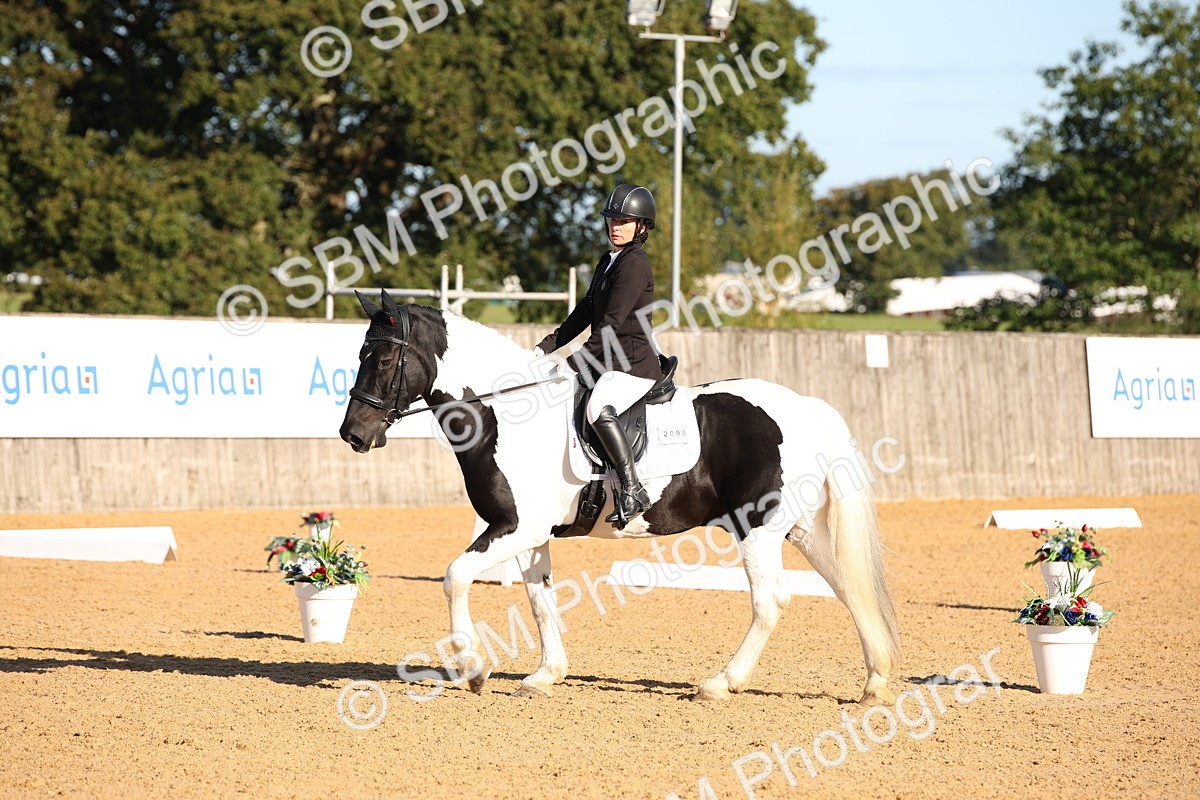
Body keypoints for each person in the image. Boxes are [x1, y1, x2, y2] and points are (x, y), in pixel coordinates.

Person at [535, 184, 662, 527]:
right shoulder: (608, 261)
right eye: (611, 219)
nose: (615, 226)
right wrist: (545, 347)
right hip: (607, 361)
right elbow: (585, 311)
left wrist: (571, 364)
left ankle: (633, 490)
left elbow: (609, 326)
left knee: (596, 408)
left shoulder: (634, 265)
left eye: (624, 220)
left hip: (633, 366)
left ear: (642, 226)